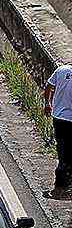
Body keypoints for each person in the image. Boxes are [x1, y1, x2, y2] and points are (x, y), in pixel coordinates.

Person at [44, 61, 72, 196]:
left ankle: (59, 189)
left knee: (63, 153)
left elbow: (48, 86)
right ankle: (64, 188)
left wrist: (47, 104)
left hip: (60, 119)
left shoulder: (61, 70)